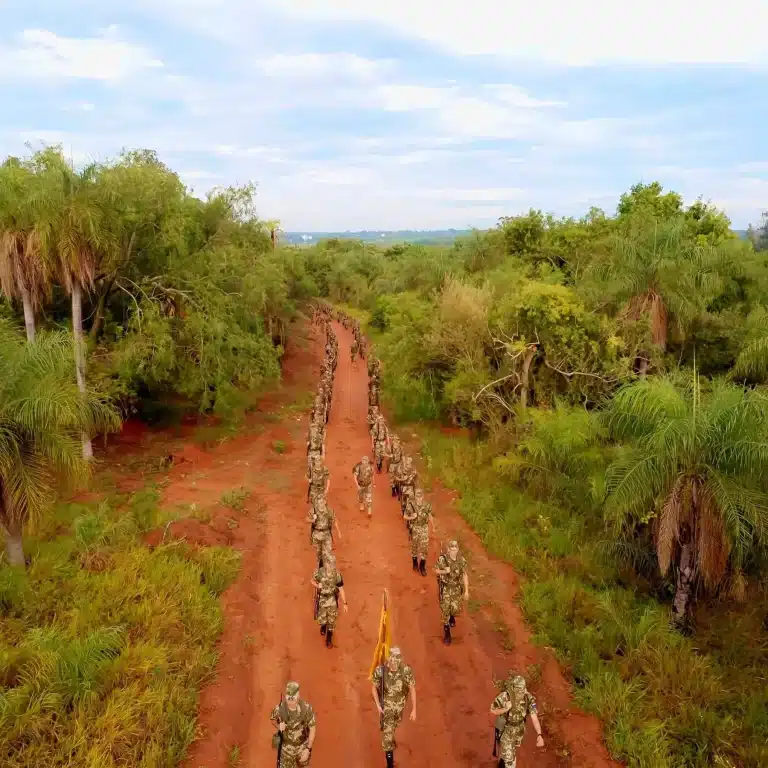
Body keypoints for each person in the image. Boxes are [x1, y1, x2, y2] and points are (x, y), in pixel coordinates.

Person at [371, 647, 416, 768]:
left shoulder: (406, 671)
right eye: (392, 660)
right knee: (387, 738)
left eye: (396, 661)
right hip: (387, 710)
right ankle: (390, 764)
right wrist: (378, 705)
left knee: (394, 726)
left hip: (399, 708)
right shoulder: (381, 671)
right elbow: (373, 687)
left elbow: (412, 688)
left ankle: (391, 737)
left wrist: (414, 709)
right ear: (389, 659)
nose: (394, 663)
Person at [490, 673, 545, 768]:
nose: (520, 693)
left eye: (522, 690)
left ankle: (502, 763)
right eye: (518, 691)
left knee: (509, 754)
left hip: (518, 732)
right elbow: (492, 710)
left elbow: (534, 717)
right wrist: (505, 709)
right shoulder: (505, 696)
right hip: (506, 732)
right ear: (513, 688)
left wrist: (539, 735)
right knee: (510, 761)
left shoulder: (528, 698)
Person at [270, 681, 316, 767]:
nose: (290, 702)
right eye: (288, 698)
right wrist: (278, 726)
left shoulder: (306, 709)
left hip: (302, 748)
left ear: (298, 696)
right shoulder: (279, 709)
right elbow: (272, 719)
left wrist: (308, 749)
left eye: (293, 698)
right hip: (286, 751)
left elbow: (312, 729)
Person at [434, 540, 469, 645]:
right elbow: (435, 570)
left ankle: (452, 615)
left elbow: (465, 575)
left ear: (458, 549)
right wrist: (445, 571)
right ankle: (447, 633)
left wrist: (467, 590)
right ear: (448, 549)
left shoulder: (461, 560)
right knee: (445, 611)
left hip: (457, 589)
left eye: (455, 549)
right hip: (445, 589)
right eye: (451, 549)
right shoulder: (443, 559)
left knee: (455, 609)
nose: (453, 551)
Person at [311, 553, 348, 648]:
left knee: (332, 621)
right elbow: (312, 580)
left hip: (332, 600)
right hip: (322, 599)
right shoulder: (319, 572)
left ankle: (329, 639)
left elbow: (341, 589)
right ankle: (323, 625)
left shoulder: (337, 575)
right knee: (322, 619)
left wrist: (345, 603)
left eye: (332, 563)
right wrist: (317, 585)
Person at [404, 488, 435, 576]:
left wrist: (433, 527)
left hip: (424, 528)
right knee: (415, 547)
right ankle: (414, 563)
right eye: (417, 497)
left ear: (423, 497)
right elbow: (405, 516)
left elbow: (430, 516)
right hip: (415, 528)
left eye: (420, 497)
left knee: (424, 548)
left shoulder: (427, 505)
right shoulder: (411, 505)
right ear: (415, 497)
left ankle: (422, 566)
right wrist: (412, 518)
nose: (419, 499)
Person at [308, 495, 341, 568]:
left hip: (326, 535)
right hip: (316, 535)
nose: (321, 503)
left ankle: (330, 571)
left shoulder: (329, 511)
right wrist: (312, 520)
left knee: (328, 553)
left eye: (322, 501)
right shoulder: (314, 510)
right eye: (319, 502)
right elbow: (306, 519)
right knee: (318, 554)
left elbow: (335, 521)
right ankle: (319, 568)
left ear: (325, 502)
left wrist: (338, 532)